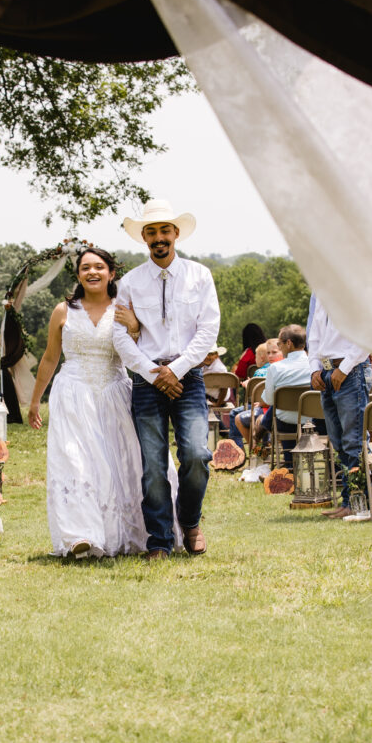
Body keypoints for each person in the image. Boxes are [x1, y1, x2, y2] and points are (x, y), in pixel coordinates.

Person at [113, 198, 220, 560]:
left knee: (196, 454)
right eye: (152, 232)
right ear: (144, 237)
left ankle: (190, 521)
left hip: (187, 378)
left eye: (165, 231)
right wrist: (152, 373)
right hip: (147, 382)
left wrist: (176, 370)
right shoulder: (128, 283)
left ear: (175, 234)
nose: (159, 237)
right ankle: (159, 540)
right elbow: (120, 337)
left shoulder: (200, 275)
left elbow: (208, 331)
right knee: (153, 465)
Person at [28, 247, 151, 558]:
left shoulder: (124, 309)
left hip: (114, 393)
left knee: (118, 464)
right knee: (75, 462)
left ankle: (121, 532)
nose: (92, 272)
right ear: (78, 275)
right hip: (72, 393)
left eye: (99, 267)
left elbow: (138, 354)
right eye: (85, 268)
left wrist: (134, 327)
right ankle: (80, 536)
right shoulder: (63, 311)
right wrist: (33, 402)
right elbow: (49, 358)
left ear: (111, 273)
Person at [308, 296, 372, 518]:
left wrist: (344, 368)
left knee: (353, 440)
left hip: (351, 369)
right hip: (326, 371)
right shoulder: (321, 292)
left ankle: (359, 502)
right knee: (338, 441)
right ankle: (348, 501)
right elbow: (314, 336)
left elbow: (368, 332)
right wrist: (315, 369)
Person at [261, 324, 321, 469]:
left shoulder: (275, 368)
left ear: (289, 343)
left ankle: (290, 464)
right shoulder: (316, 365)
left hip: (286, 422)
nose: (279, 347)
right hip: (314, 420)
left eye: (279, 344)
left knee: (277, 416)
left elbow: (269, 400)